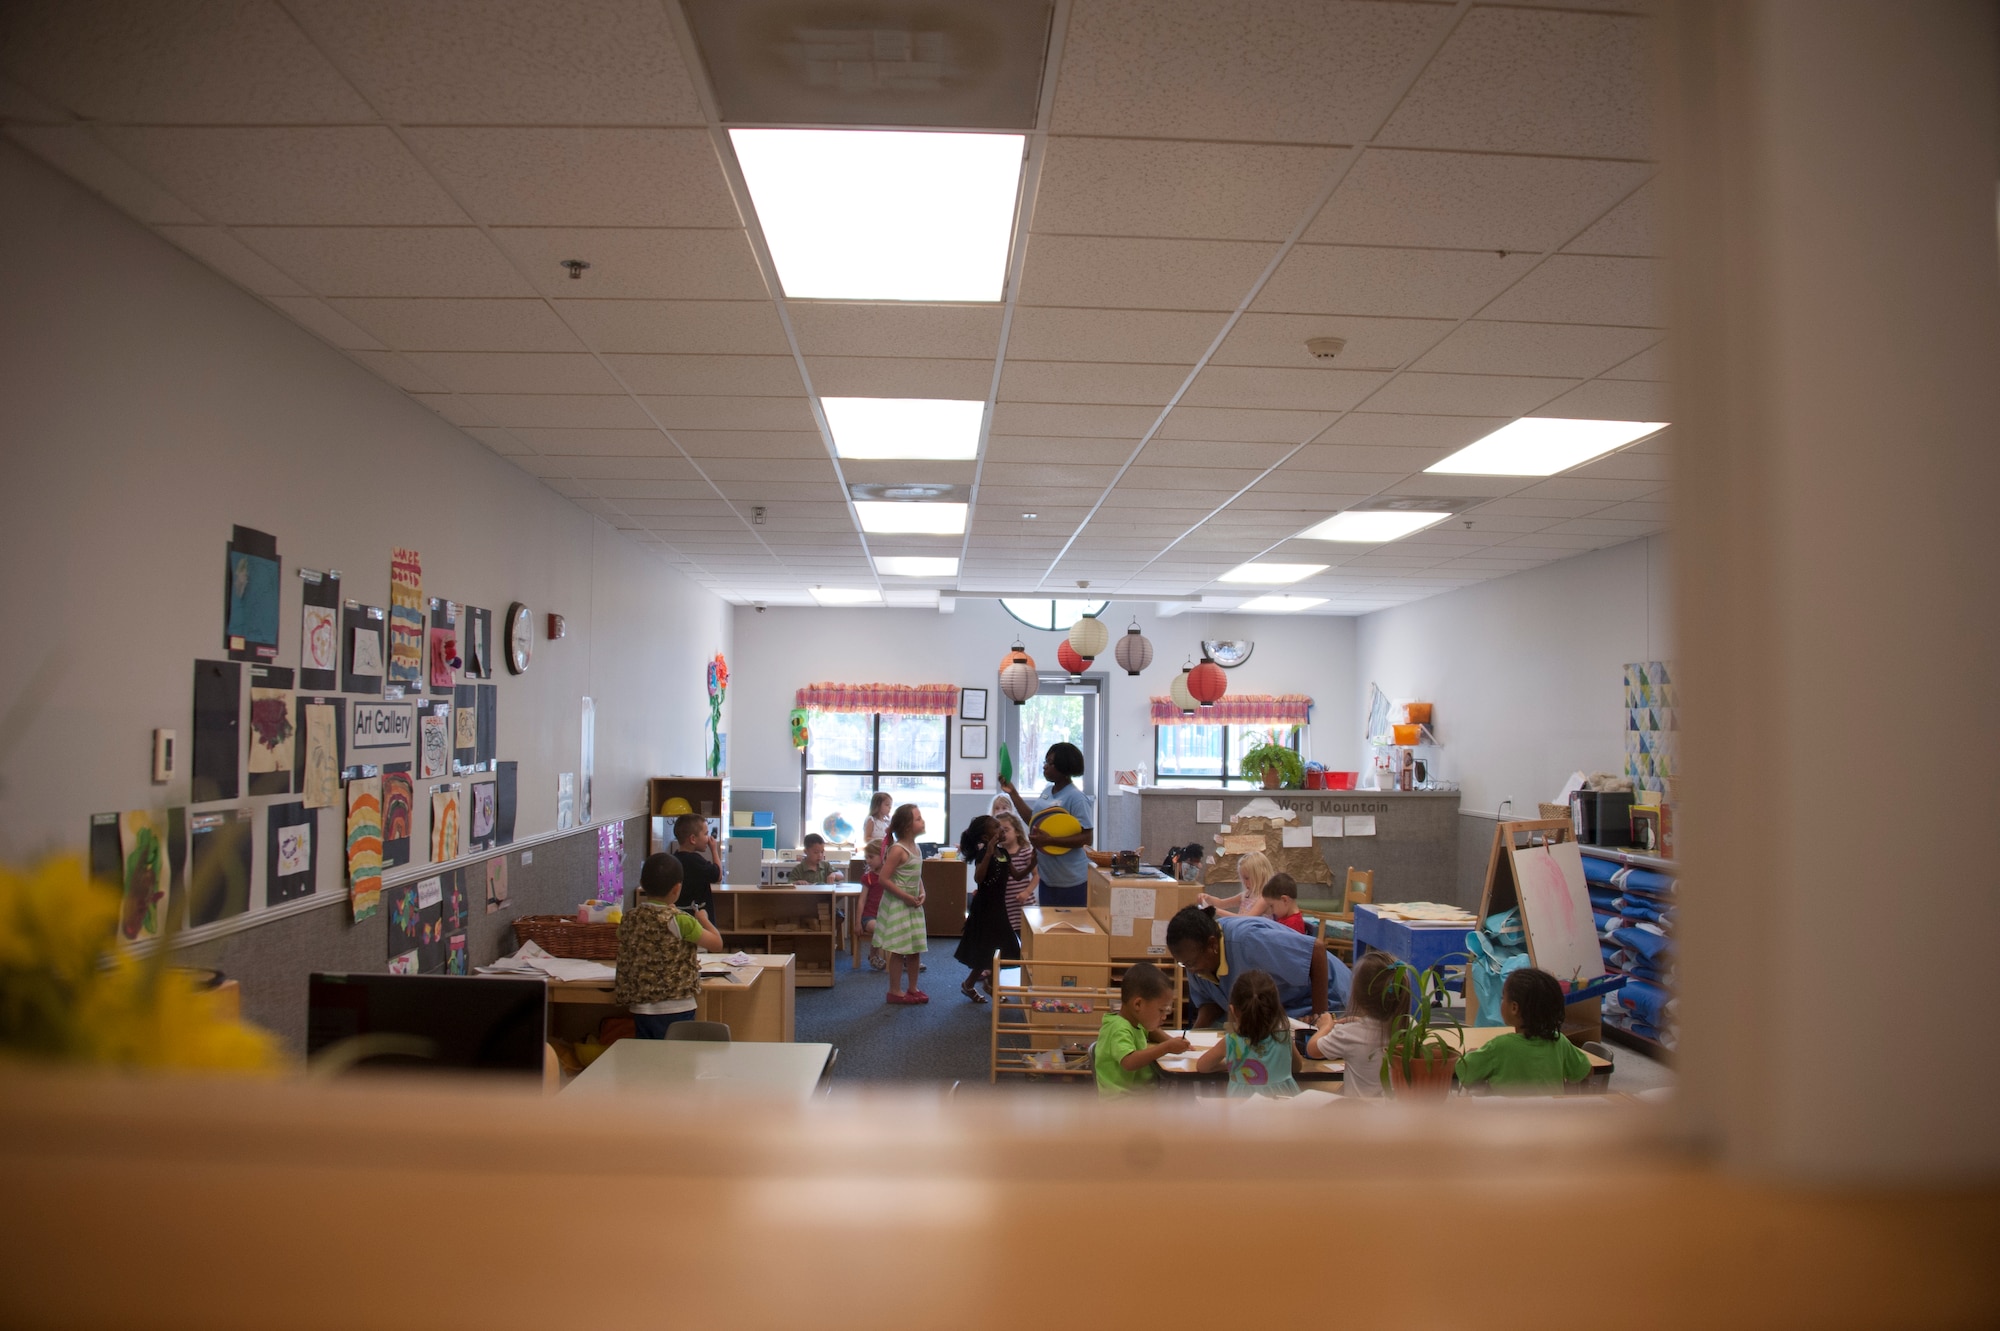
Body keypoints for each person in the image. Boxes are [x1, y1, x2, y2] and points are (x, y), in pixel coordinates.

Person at [1165, 904, 1349, 1028]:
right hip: (1282, 1008)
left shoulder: (1249, 941)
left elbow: (1316, 950)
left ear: (1212, 945)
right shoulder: (1196, 959)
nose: (1190, 970)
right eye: (1183, 964)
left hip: (1324, 994)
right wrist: (1195, 1037)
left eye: (1191, 963)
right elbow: (1211, 1004)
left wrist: (1320, 1017)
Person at [613, 853, 723, 1037]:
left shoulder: (629, 918)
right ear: (677, 889)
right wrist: (704, 919)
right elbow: (717, 944)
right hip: (677, 1005)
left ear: (642, 883)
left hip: (640, 1006)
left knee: (647, 1060)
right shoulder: (680, 920)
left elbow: (627, 937)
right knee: (678, 1061)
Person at [1455, 967, 1593, 1094]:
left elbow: (1464, 1073)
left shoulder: (1499, 1046)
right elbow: (1586, 1071)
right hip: (1552, 1118)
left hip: (1507, 1119)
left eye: (1503, 998)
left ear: (1514, 1008)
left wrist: (1471, 1055)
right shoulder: (1559, 1041)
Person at [998, 741, 1093, 907]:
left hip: (1072, 881)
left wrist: (1049, 841)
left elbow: (1087, 838)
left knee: (1069, 930)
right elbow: (1033, 820)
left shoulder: (1076, 798)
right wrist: (1012, 792)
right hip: (1048, 879)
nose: (1044, 766)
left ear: (1063, 767)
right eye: (1045, 762)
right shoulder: (1047, 791)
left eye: (1049, 763)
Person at [1307, 951, 1404, 1097]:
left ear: (1357, 995)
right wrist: (1361, 1022)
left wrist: (1326, 1026)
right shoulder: (1408, 1026)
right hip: (1393, 1114)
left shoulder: (1349, 1033)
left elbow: (1312, 1050)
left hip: (1357, 1116)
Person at [1195, 968, 1302, 1097]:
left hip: (1242, 1111)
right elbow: (1297, 1067)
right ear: (1276, 1009)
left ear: (1233, 1010)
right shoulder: (1284, 1037)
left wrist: (1230, 1064)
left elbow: (1203, 1066)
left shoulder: (1231, 1041)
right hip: (1285, 1109)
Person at [1094, 961, 1190, 1096]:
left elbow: (1152, 1031)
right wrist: (1167, 1047)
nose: (1164, 1017)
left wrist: (1174, 1041)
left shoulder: (1135, 1022)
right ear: (1138, 1004)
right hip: (1124, 1103)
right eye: (1161, 1010)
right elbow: (1129, 1061)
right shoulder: (1119, 1028)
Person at [953, 816, 1020, 1001]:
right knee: (989, 949)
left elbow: (1018, 875)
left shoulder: (1004, 853)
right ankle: (990, 986)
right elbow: (978, 878)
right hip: (984, 909)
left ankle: (971, 984)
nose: (1001, 829)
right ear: (985, 836)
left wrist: (1034, 862)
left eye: (1001, 826)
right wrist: (989, 852)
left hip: (999, 908)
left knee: (998, 948)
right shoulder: (984, 855)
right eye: (996, 827)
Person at [874, 804, 929, 1004]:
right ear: (907, 826)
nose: (922, 821)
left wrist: (922, 892)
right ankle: (894, 991)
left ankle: (913, 987)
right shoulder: (898, 850)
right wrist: (905, 896)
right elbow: (884, 879)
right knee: (898, 950)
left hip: (913, 905)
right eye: (918, 818)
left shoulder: (917, 847)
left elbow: (916, 875)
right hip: (899, 905)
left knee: (914, 949)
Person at [993, 810, 1038, 935]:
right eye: (999, 831)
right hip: (1005, 904)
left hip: (1023, 903)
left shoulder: (1025, 852)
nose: (1003, 834)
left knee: (1026, 937)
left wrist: (1027, 892)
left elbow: (1036, 875)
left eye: (1006, 830)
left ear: (1017, 831)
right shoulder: (997, 854)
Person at [671, 812, 721, 915]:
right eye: (706, 834)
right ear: (693, 839)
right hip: (698, 918)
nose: (708, 838)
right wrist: (714, 850)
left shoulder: (674, 858)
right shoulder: (695, 861)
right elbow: (718, 875)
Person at [1198, 850, 1273, 917]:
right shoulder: (1246, 895)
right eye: (1242, 878)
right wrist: (1208, 898)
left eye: (1247, 878)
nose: (1244, 882)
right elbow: (1221, 903)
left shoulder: (1264, 898)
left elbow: (1247, 919)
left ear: (1260, 875)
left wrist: (1216, 911)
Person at [858, 838, 888, 971]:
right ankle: (873, 955)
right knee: (879, 927)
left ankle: (902, 958)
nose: (868, 861)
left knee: (900, 926)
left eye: (871, 857)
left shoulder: (890, 875)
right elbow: (862, 900)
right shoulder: (868, 877)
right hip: (869, 917)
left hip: (887, 915)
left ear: (882, 856)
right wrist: (858, 922)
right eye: (866, 857)